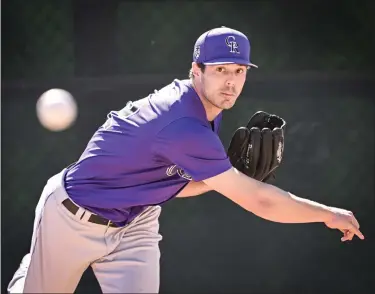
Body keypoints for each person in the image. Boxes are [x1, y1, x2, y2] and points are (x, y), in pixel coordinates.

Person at [8, 26, 364, 294]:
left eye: (239, 70)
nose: (231, 82)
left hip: (136, 217)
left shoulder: (206, 107)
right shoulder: (183, 125)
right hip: (73, 218)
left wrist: (223, 177)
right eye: (220, 69)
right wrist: (328, 215)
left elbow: (170, 187)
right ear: (197, 69)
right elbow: (259, 201)